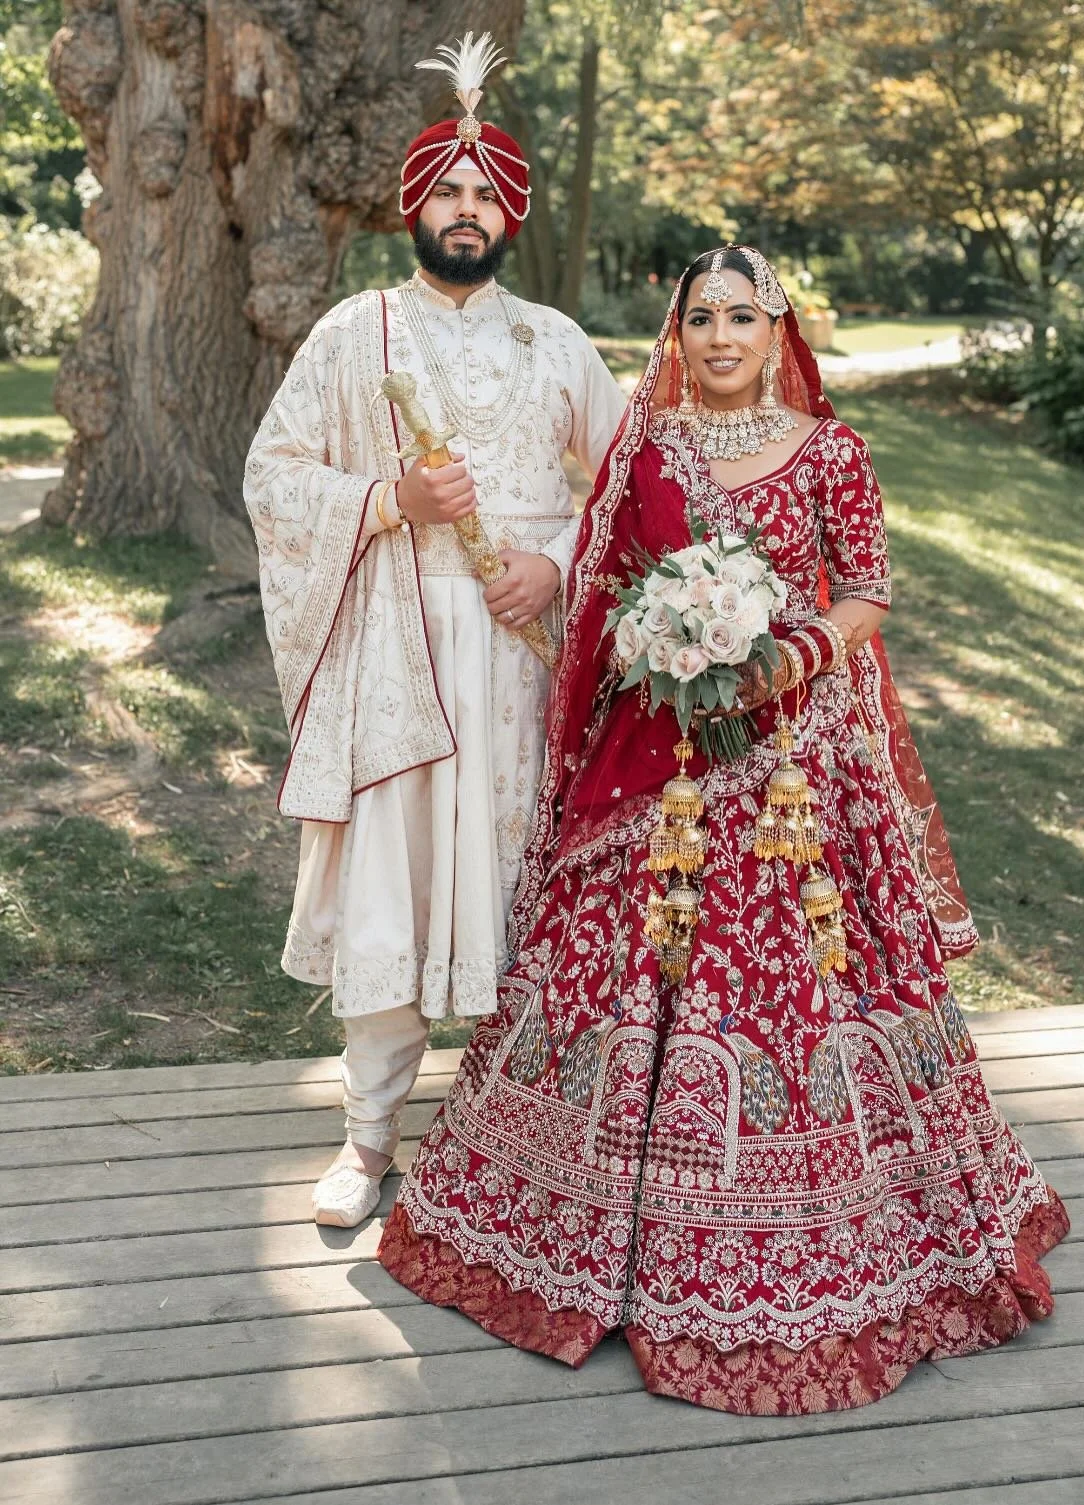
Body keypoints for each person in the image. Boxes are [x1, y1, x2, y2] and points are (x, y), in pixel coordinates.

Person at [377, 245, 1069, 1415]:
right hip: (668, 755)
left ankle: (826, 1229)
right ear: (680, 333)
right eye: (700, 317)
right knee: (627, 965)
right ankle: (583, 1229)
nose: (719, 338)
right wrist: (658, 642)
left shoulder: (833, 451)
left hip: (800, 762)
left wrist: (786, 655)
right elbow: (606, 586)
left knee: (805, 979)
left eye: (741, 316)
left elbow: (869, 591)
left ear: (777, 329)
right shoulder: (647, 448)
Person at [244, 34, 625, 1229]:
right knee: (391, 886)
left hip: (523, 658)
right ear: (415, 208)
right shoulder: (353, 335)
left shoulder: (556, 340)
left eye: (487, 196)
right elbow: (272, 473)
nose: (468, 211)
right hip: (394, 655)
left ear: (511, 215)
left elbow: (631, 485)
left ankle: (528, 1133)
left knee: (531, 881)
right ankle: (368, 1138)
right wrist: (388, 501)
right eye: (449, 192)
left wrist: (556, 566)